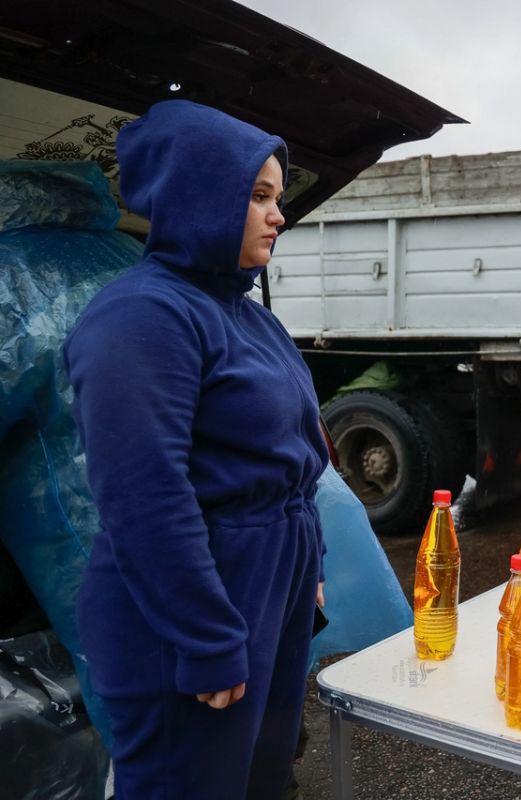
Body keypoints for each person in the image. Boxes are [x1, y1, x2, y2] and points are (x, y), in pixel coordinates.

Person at [64, 100, 328, 799]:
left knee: (263, 778)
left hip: (265, 585)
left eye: (279, 197)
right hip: (189, 602)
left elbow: (294, 462)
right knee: (189, 784)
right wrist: (206, 638)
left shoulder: (246, 315)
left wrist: (311, 562)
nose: (279, 215)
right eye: (259, 196)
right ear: (197, 196)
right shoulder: (141, 315)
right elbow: (142, 493)